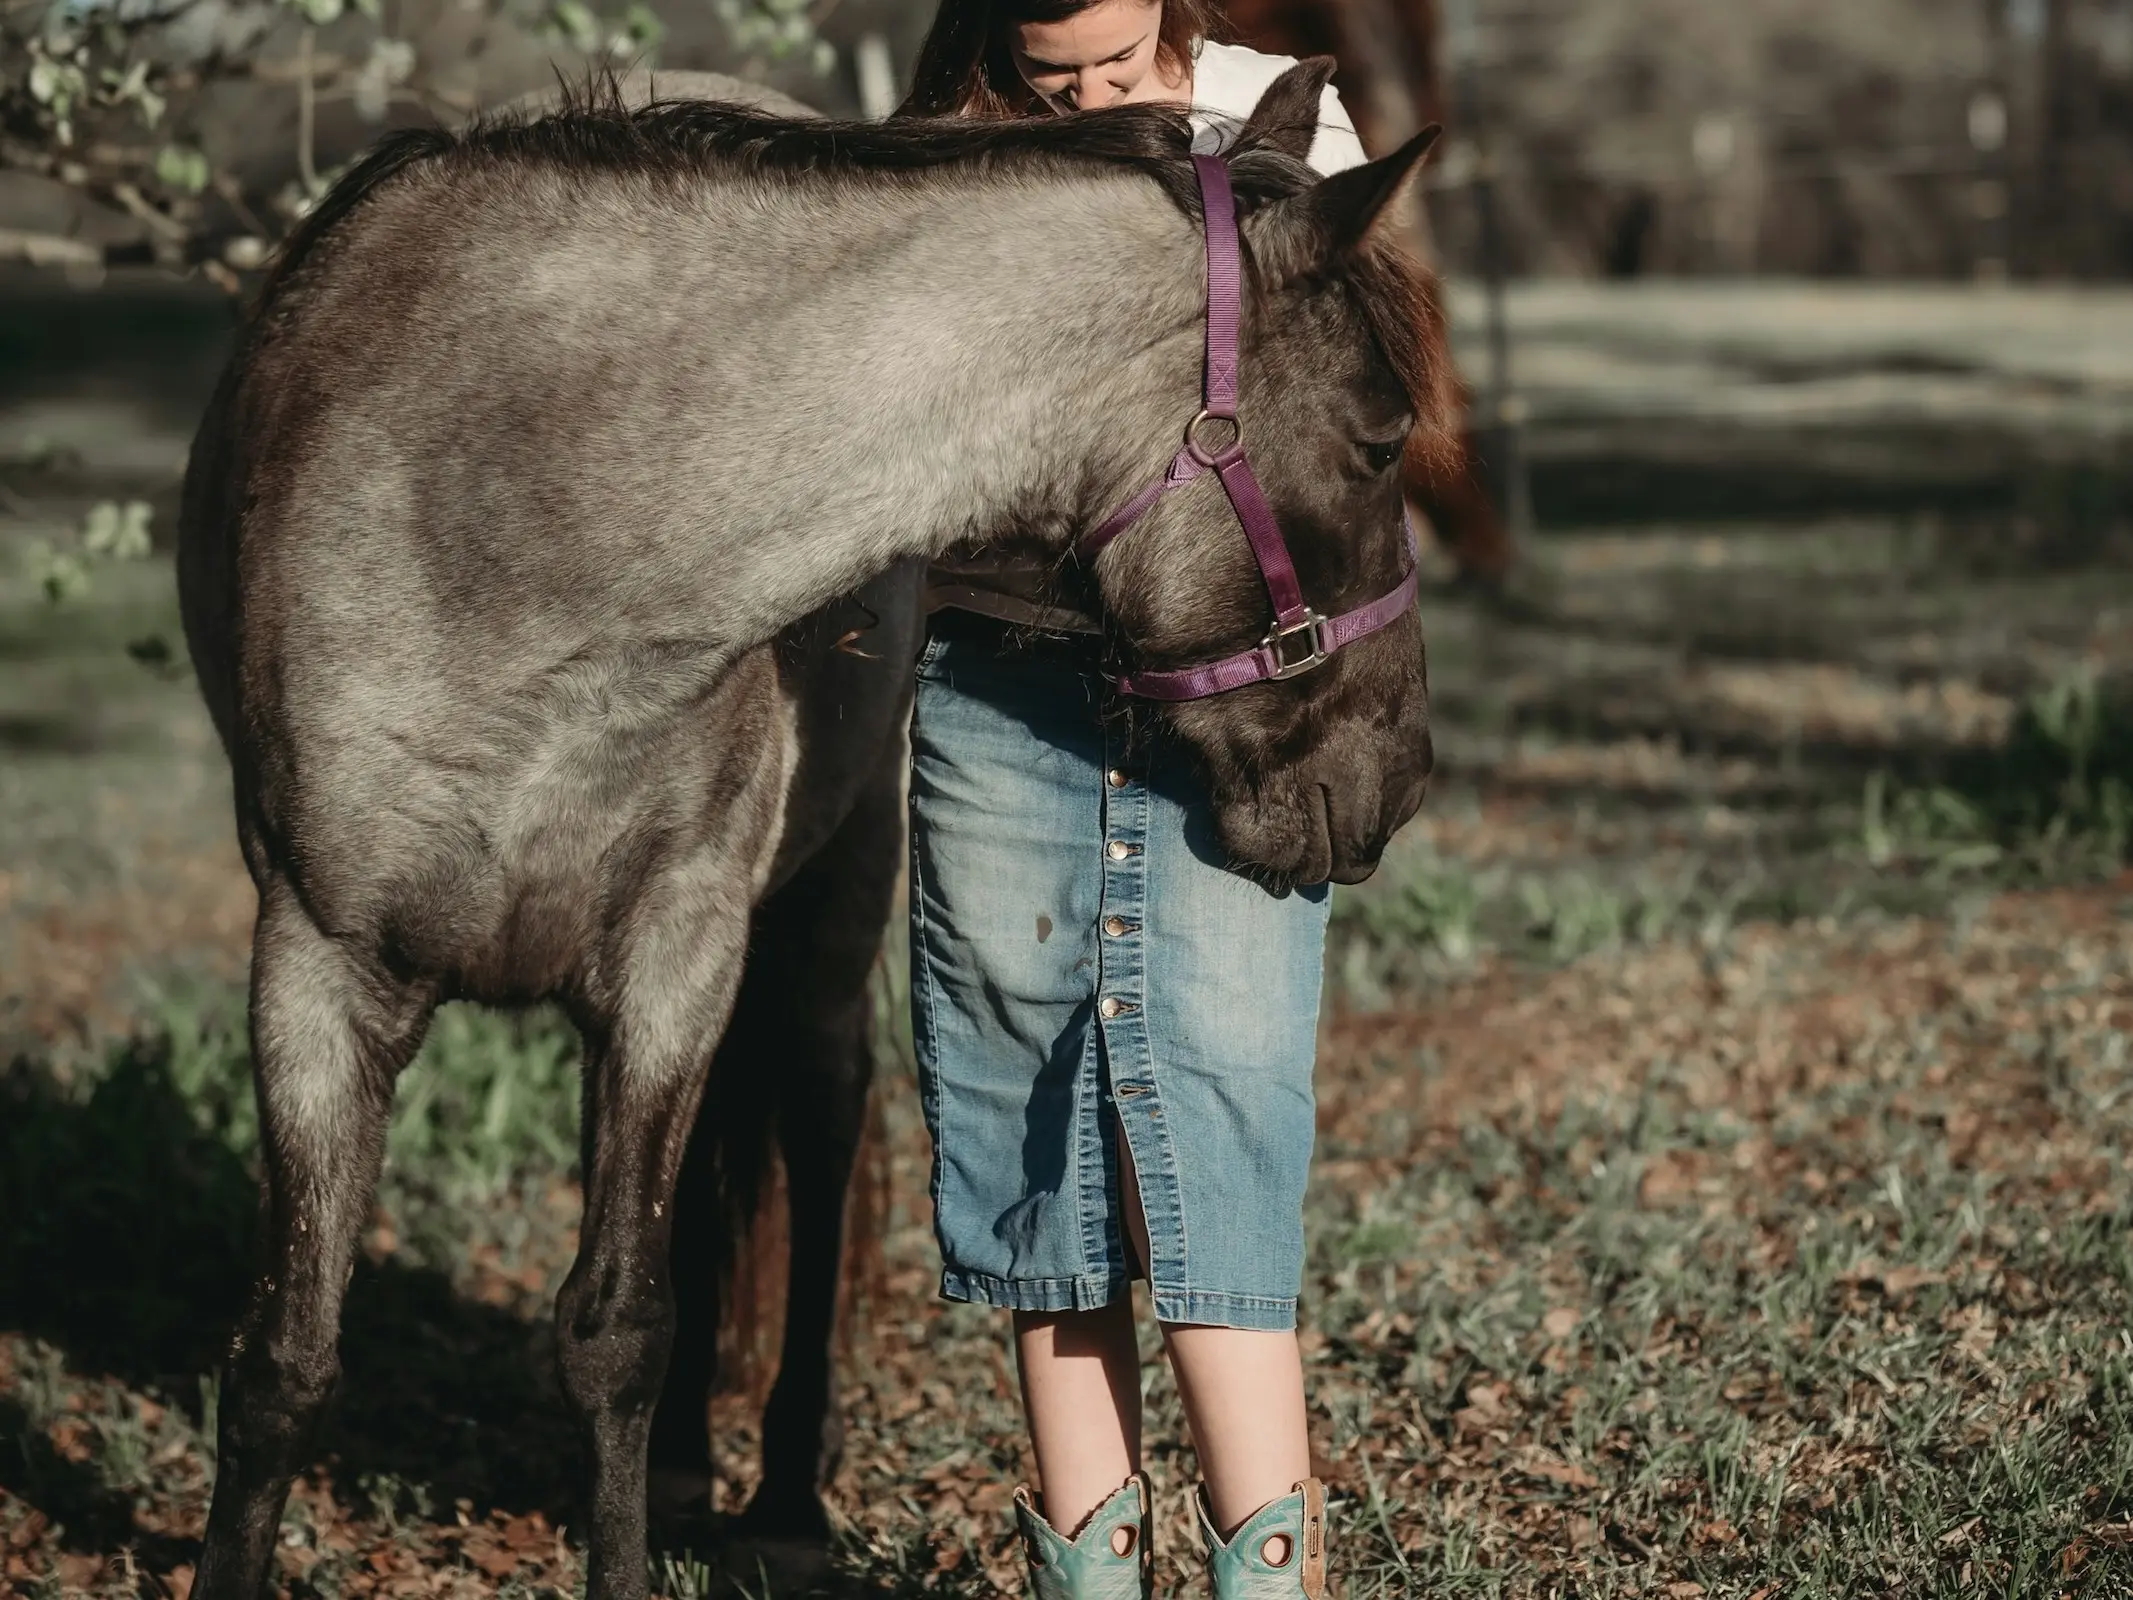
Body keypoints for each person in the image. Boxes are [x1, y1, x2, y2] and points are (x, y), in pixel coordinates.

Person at [897, 4, 1367, 1596]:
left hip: (1222, 709)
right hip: (1001, 693)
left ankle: (1267, 1577)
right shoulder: (950, 149)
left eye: (1114, 66)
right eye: (1057, 80)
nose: (1091, 98)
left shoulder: (1288, 126)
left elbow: (1327, 423)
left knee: (1223, 1134)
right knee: (1042, 1173)